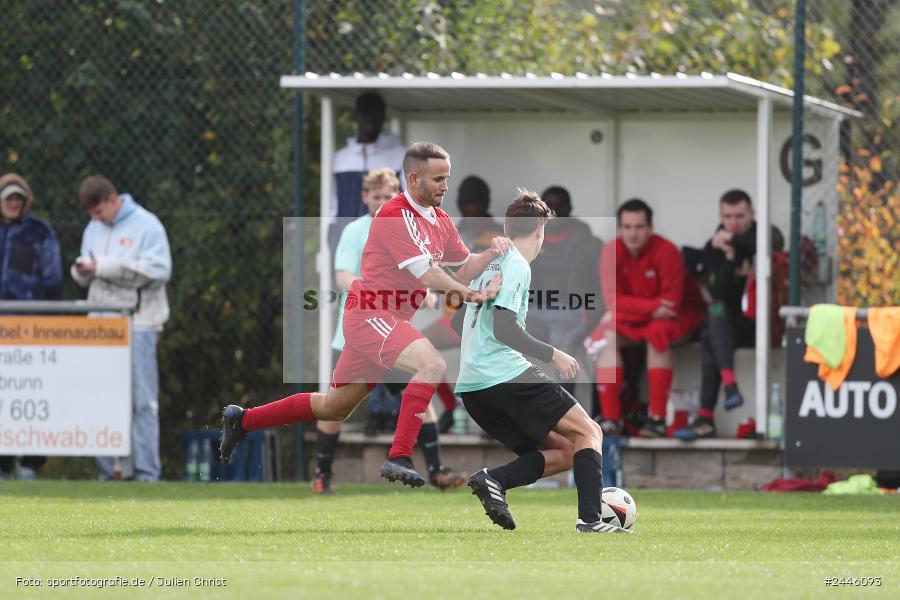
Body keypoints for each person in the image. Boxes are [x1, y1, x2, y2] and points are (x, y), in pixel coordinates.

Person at [221, 142, 507, 487]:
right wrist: (473, 294)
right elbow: (430, 275)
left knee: (333, 408)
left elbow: (462, 267)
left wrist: (492, 253)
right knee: (431, 364)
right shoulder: (394, 215)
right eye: (438, 179)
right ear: (414, 179)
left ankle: (244, 420)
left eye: (447, 178)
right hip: (371, 313)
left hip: (387, 320)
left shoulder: (441, 220)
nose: (446, 186)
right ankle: (400, 456)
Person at [457, 189, 628, 533]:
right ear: (541, 230)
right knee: (590, 430)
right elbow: (505, 330)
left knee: (565, 451)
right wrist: (555, 354)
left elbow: (457, 320)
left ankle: (494, 480)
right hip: (503, 376)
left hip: (474, 387)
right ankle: (591, 521)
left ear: (506, 228)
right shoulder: (517, 265)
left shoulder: (489, 264)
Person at [313, 167, 465, 494]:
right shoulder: (355, 231)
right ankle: (322, 473)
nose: (381, 201)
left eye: (387, 195)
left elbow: (419, 271)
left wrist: (425, 292)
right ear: (365, 197)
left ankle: (436, 470)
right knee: (333, 406)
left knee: (424, 388)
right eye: (375, 196)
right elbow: (342, 277)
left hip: (391, 330)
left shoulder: (407, 225)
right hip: (360, 330)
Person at [71, 175, 172, 482]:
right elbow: (90, 271)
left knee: (142, 401)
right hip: (101, 323)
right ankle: (112, 471)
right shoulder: (93, 228)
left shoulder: (147, 225)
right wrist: (82, 271)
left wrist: (103, 267)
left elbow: (159, 270)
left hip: (138, 322)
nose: (95, 219)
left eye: (99, 212)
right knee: (104, 398)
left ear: (113, 200)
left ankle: (145, 473)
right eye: (91, 215)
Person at [589, 199, 705, 438]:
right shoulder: (611, 250)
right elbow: (613, 302)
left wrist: (629, 307)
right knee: (605, 336)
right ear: (619, 228)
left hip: (681, 316)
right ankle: (611, 419)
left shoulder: (667, 250)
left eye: (639, 227)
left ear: (650, 228)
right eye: (628, 227)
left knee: (657, 334)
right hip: (642, 317)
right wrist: (652, 306)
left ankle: (657, 419)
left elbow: (671, 306)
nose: (633, 233)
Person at [675, 190, 779, 440]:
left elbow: (770, 245)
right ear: (721, 215)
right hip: (731, 326)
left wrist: (733, 240)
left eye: (739, 216)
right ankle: (728, 388)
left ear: (752, 214)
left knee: (712, 333)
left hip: (763, 324)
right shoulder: (715, 247)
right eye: (728, 216)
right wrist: (730, 260)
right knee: (714, 319)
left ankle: (705, 417)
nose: (732, 222)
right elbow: (717, 292)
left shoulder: (766, 233)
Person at [0, 174, 63, 480]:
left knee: (35, 393)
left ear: (25, 201)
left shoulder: (40, 232)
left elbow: (53, 281)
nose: (13, 203)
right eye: (8, 198)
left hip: (31, 328)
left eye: (18, 199)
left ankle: (29, 464)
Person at [528, 186, 603, 395]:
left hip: (575, 312)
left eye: (560, 205)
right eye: (548, 206)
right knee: (497, 334)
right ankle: (504, 414)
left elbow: (603, 288)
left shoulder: (589, 244)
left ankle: (564, 414)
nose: (554, 211)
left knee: (562, 343)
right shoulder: (529, 241)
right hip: (536, 311)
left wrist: (591, 314)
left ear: (570, 208)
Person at [328, 92, 406, 255]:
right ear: (357, 116)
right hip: (349, 242)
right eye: (365, 112)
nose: (370, 118)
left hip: (387, 244)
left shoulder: (399, 156)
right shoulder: (341, 159)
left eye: (375, 112)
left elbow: (407, 203)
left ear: (383, 116)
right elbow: (333, 208)